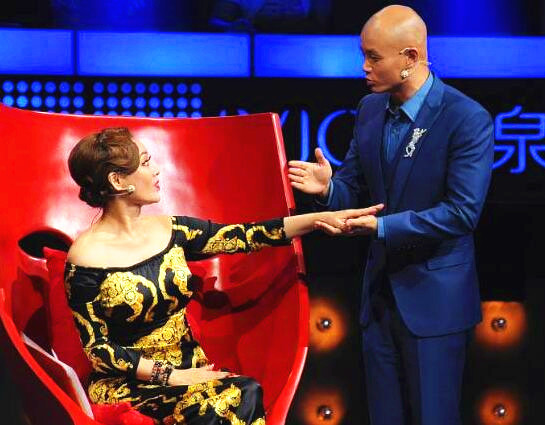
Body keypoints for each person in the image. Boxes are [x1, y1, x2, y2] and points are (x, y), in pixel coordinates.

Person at [65, 127, 382, 425]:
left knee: (242, 393)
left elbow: (248, 235)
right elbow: (98, 350)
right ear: (118, 180)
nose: (157, 170)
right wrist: (170, 376)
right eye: (146, 163)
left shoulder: (172, 230)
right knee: (234, 397)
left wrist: (318, 219)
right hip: (132, 384)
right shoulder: (86, 257)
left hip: (191, 372)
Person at [288, 5, 494, 425]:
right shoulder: (369, 109)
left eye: (373, 57)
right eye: (363, 55)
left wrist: (382, 227)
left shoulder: (465, 118)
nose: (364, 67)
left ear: (410, 58)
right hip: (379, 300)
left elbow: (461, 213)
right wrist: (328, 189)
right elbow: (355, 191)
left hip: (435, 304)